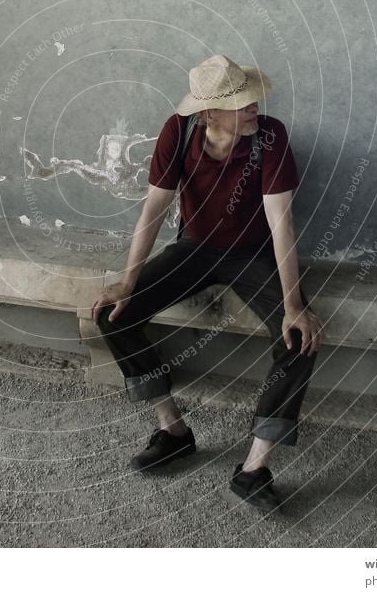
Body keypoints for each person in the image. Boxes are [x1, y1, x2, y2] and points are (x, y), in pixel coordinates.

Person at [90, 54, 323, 511]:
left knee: (299, 337)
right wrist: (126, 282)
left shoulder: (270, 136)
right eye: (240, 102)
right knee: (112, 314)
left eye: (252, 97)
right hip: (195, 248)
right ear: (208, 114)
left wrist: (294, 303)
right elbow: (153, 210)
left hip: (253, 255)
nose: (253, 106)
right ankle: (173, 431)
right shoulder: (178, 133)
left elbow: (282, 223)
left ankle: (255, 467)